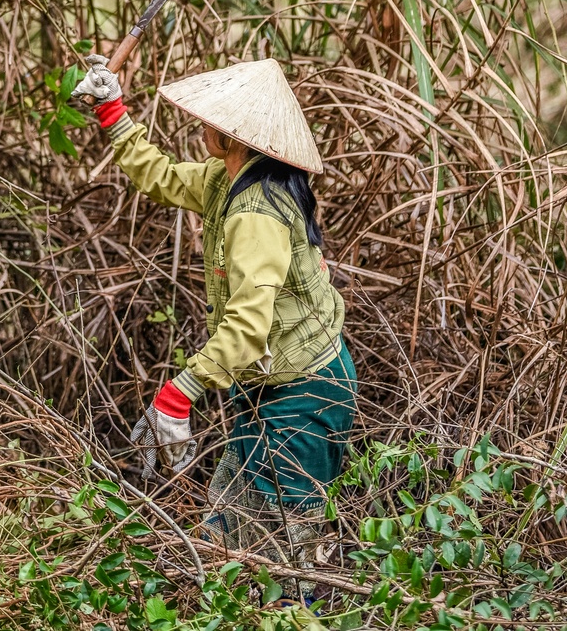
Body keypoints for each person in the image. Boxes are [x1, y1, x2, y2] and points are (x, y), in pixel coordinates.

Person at [71, 53, 357, 566]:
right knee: (230, 526)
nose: (205, 124)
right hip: (263, 383)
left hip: (305, 389)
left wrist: (180, 394)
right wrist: (113, 110)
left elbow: (250, 324)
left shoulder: (257, 213)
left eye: (217, 121)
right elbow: (156, 175)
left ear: (239, 136)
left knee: (298, 540)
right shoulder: (226, 179)